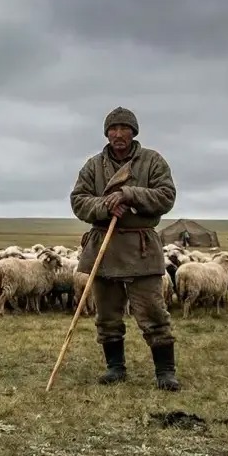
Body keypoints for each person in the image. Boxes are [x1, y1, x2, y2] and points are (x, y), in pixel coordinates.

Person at [69, 106, 180, 391]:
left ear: (134, 132)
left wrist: (128, 194)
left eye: (124, 128)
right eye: (113, 129)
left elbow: (166, 196)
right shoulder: (93, 166)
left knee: (153, 311)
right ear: (106, 133)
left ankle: (165, 371)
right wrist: (105, 205)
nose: (118, 134)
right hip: (104, 247)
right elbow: (79, 200)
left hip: (140, 247)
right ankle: (115, 367)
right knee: (106, 314)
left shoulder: (152, 162)